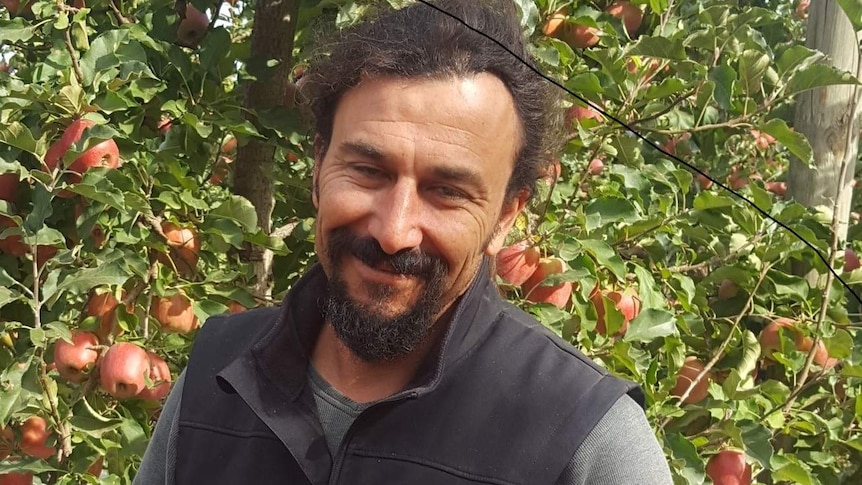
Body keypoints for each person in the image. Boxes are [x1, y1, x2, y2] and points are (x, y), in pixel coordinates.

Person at [134, 1, 674, 483]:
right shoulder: (217, 376)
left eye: (447, 191)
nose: (394, 232)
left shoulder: (585, 439)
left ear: (507, 215)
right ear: (319, 166)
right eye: (368, 170)